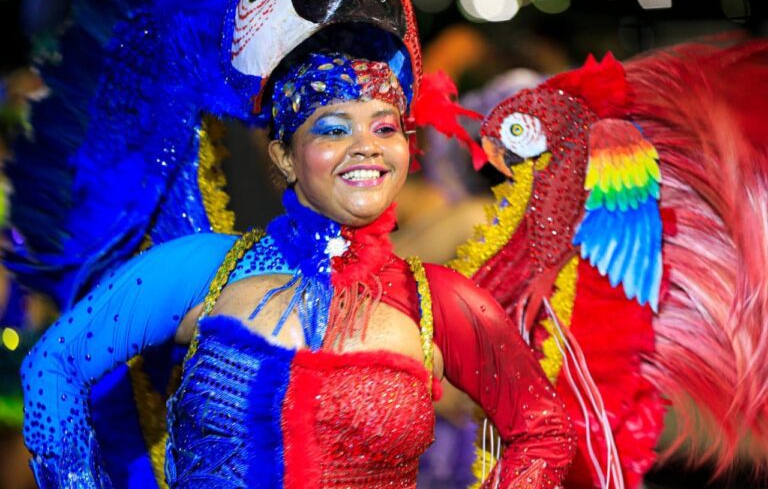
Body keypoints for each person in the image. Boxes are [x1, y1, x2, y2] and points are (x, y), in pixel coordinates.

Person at [21, 50, 576, 488]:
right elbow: (53, 365)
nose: (367, 147)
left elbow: (544, 430)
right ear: (284, 156)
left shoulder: (439, 298)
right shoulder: (207, 267)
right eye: (334, 128)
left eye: (385, 128)